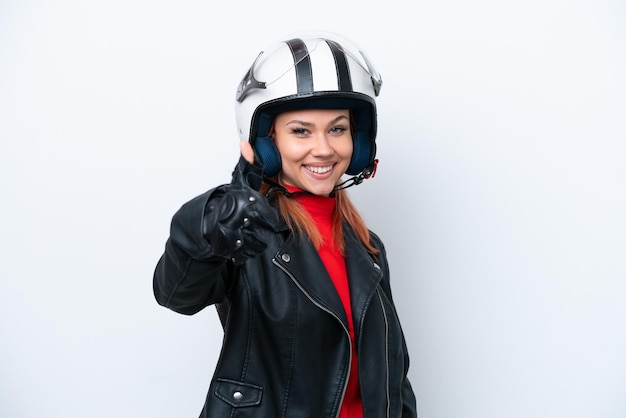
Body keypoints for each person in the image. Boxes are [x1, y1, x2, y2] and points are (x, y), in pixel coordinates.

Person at [153, 31, 418, 418]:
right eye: (301, 130)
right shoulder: (243, 234)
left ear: (358, 142)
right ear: (266, 141)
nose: (324, 148)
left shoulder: (368, 248)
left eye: (338, 129)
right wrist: (205, 228)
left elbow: (393, 376)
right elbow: (176, 294)